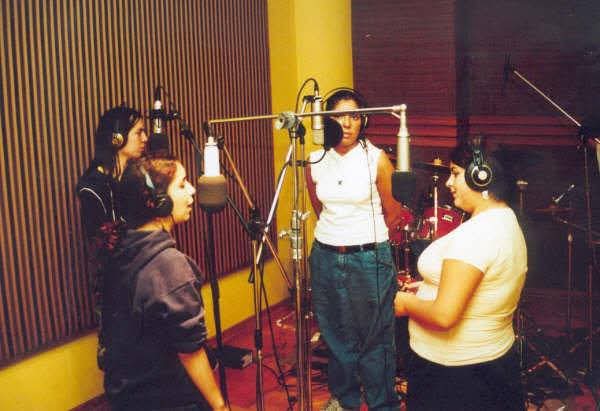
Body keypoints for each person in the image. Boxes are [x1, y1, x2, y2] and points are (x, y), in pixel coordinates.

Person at [394, 140, 527, 411]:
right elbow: (483, 282)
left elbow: (444, 316)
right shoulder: (504, 218)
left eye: (455, 173)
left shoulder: (475, 235)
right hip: (490, 365)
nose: (448, 183)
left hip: (453, 378)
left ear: (481, 177)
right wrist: (431, 286)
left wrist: (404, 303)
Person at [99, 156, 228, 411]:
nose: (192, 189)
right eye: (182, 184)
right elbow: (190, 351)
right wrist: (220, 406)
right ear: (159, 202)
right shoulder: (169, 266)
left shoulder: (121, 252)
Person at [306, 88, 404, 411]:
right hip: (326, 256)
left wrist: (361, 241)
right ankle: (344, 400)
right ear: (327, 120)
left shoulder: (376, 159)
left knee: (376, 338)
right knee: (334, 335)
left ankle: (382, 404)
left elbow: (393, 213)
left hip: (368, 257)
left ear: (364, 121)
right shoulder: (315, 160)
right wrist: (338, 237)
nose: (346, 123)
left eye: (354, 116)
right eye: (339, 116)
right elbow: (320, 208)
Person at [76, 105, 148, 369]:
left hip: (143, 278)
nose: (145, 138)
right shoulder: (92, 187)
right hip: (115, 287)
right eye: (139, 132)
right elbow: (104, 245)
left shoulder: (137, 176)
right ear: (117, 138)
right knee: (122, 362)